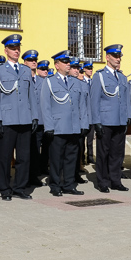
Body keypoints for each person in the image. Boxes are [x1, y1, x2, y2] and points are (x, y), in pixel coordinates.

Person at [0, 34, 39, 201]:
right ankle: (4, 188)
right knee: (4, 157)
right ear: (6, 50)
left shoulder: (25, 70)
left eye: (18, 48)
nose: (16, 51)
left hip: (24, 118)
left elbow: (31, 95)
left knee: (24, 157)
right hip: (7, 119)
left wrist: (34, 116)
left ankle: (19, 188)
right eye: (12, 48)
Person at [42, 50, 88, 196]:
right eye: (65, 62)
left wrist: (84, 124)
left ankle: (69, 185)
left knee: (71, 158)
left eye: (69, 62)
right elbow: (45, 106)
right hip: (58, 127)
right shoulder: (49, 81)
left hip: (74, 127)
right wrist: (49, 126)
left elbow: (82, 105)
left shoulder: (76, 82)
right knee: (56, 159)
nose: (68, 64)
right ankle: (55, 185)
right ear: (57, 65)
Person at [90, 44, 131, 193]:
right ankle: (103, 181)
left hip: (119, 120)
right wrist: (96, 121)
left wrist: (127, 117)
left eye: (119, 56)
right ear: (107, 57)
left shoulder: (122, 77)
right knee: (103, 153)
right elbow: (94, 100)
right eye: (115, 56)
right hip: (105, 120)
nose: (118, 59)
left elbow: (126, 99)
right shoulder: (99, 76)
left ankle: (116, 180)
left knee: (117, 153)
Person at [22, 49, 45, 187]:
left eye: (35, 60)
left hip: (39, 121)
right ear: (25, 62)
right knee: (24, 152)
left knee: (36, 151)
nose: (34, 62)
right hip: (25, 119)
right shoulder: (22, 78)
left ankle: (34, 176)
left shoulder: (42, 81)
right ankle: (24, 178)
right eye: (30, 60)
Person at [35, 60, 52, 176]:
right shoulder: (34, 81)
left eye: (46, 69)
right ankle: (36, 169)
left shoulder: (50, 81)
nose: (45, 71)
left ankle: (44, 167)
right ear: (38, 70)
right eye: (42, 69)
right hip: (38, 120)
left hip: (48, 121)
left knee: (47, 147)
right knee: (36, 147)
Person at [81, 61, 95, 165]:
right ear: (84, 69)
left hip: (92, 114)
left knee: (90, 139)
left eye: (91, 68)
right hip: (84, 114)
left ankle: (90, 157)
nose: (90, 70)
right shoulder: (81, 82)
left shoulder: (93, 81)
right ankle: (82, 158)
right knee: (82, 139)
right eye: (88, 68)